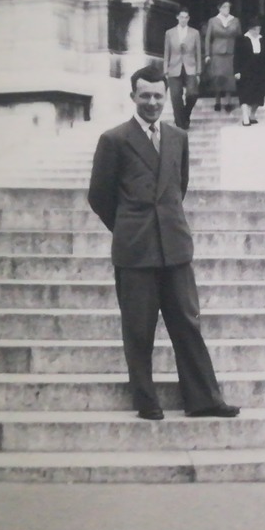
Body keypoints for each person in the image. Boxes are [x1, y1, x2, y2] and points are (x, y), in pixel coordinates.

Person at [87, 65, 239, 422]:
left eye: (158, 95)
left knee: (187, 324)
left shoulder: (177, 137)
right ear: (133, 97)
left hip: (174, 246)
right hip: (135, 250)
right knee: (138, 329)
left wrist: (165, 223)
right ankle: (146, 399)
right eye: (145, 96)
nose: (153, 102)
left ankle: (204, 398)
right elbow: (99, 196)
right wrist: (128, 227)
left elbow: (178, 188)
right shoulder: (114, 140)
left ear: (165, 96)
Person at [161, 8, 201, 130]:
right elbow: (166, 51)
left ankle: (185, 114)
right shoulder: (170, 33)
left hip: (190, 66)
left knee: (192, 93)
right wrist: (165, 69)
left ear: (188, 18)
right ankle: (180, 123)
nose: (184, 19)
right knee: (175, 96)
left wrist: (198, 70)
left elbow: (198, 52)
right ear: (177, 17)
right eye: (182, 17)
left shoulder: (195, 33)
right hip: (174, 66)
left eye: (186, 17)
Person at [203, 0, 241, 113]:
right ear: (219, 8)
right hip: (217, 52)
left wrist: (240, 53)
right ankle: (217, 101)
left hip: (231, 52)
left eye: (228, 7)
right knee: (218, 77)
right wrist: (207, 54)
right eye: (224, 7)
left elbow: (239, 37)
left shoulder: (235, 20)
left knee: (229, 77)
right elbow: (208, 38)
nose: (226, 9)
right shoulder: (213, 21)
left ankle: (228, 102)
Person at [234, 16, 265, 127]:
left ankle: (252, 115)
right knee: (245, 94)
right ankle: (245, 117)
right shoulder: (242, 39)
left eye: (258, 29)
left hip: (259, 71)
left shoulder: (262, 39)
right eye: (255, 29)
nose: (257, 31)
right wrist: (237, 71)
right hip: (245, 70)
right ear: (250, 29)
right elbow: (237, 57)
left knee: (258, 95)